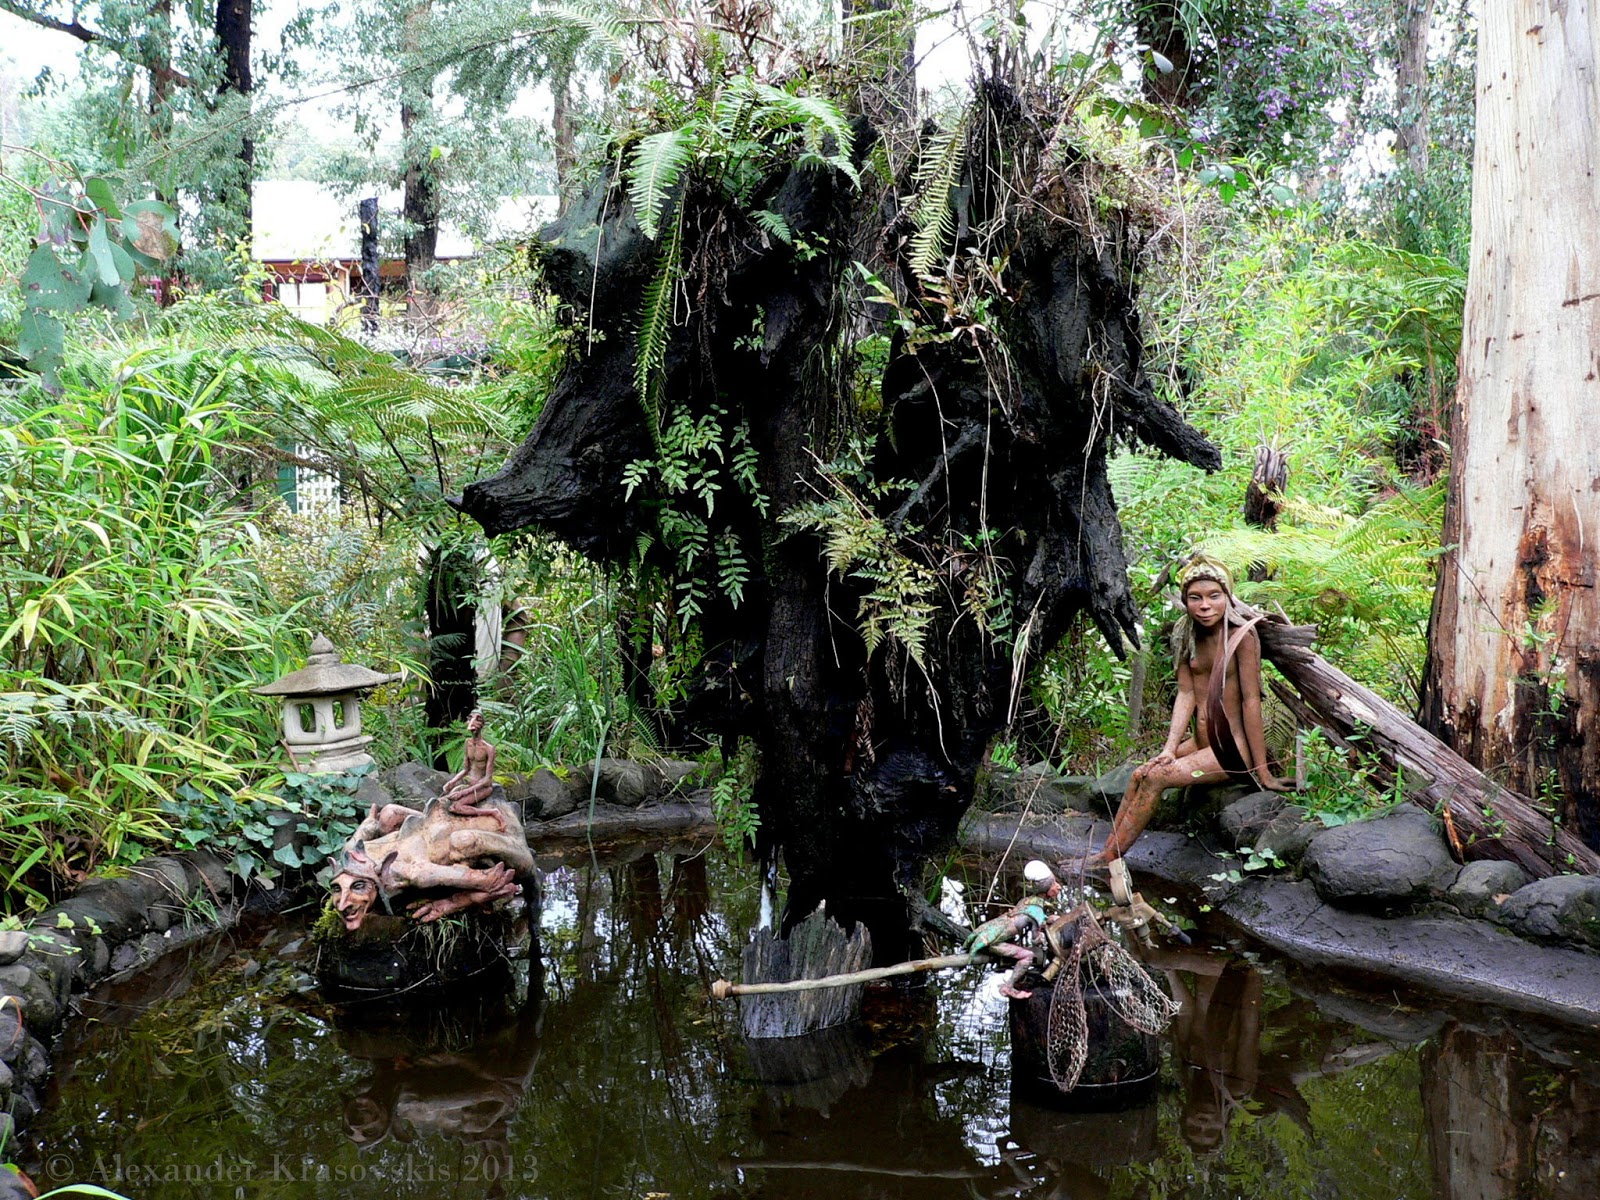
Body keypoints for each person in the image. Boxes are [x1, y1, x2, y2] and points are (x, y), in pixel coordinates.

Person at [1090, 556, 1289, 865]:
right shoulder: (1186, 633)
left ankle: (1109, 860)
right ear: (1185, 601)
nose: (1205, 605)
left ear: (1227, 597)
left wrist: (1262, 771)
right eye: (1195, 598)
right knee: (1142, 774)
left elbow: (1252, 701)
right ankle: (1106, 850)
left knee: (1158, 779)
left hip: (1231, 750)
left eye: (1214, 596)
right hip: (1201, 742)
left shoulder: (1241, 635)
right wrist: (1170, 749)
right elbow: (1185, 692)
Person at [964, 860, 1061, 1000]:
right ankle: (1007, 987)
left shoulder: (1027, 901)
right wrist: (1043, 936)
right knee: (1027, 956)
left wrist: (1046, 921)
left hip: (995, 928)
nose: (1058, 887)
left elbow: (1026, 917)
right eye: (1053, 884)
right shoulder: (1037, 910)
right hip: (993, 942)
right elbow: (1036, 939)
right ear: (1046, 889)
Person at [440, 710, 506, 830]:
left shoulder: (489, 749)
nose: (473, 723)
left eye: (478, 719)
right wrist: (452, 782)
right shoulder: (468, 743)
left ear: (482, 725)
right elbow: (466, 769)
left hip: (483, 787)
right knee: (446, 799)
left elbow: (487, 780)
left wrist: (463, 792)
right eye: (471, 719)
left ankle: (492, 812)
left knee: (456, 807)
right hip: (470, 784)